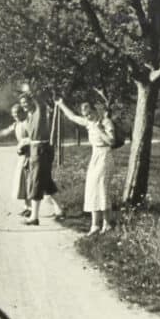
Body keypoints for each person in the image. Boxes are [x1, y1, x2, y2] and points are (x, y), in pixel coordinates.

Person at [56, 97, 115, 234]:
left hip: (105, 156)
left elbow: (111, 141)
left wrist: (100, 130)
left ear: (95, 110)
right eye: (85, 115)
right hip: (95, 157)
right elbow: (72, 117)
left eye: (90, 113)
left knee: (101, 188)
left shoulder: (106, 122)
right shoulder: (89, 123)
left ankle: (107, 224)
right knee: (92, 188)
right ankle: (95, 225)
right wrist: (61, 104)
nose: (88, 116)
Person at [18, 87, 63, 226]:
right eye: (22, 103)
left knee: (36, 181)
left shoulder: (39, 111)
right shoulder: (30, 115)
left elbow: (40, 102)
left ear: (32, 101)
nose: (24, 105)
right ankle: (61, 210)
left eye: (26, 102)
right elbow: (31, 137)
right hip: (36, 149)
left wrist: (30, 89)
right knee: (46, 182)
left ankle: (34, 217)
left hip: (41, 150)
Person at [0, 103, 32, 216]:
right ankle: (26, 206)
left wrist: (24, 144)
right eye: (13, 113)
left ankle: (31, 208)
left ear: (22, 112)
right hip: (22, 155)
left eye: (18, 112)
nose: (15, 115)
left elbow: (33, 137)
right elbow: (6, 131)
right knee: (22, 181)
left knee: (28, 181)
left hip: (30, 155)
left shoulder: (27, 122)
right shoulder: (16, 124)